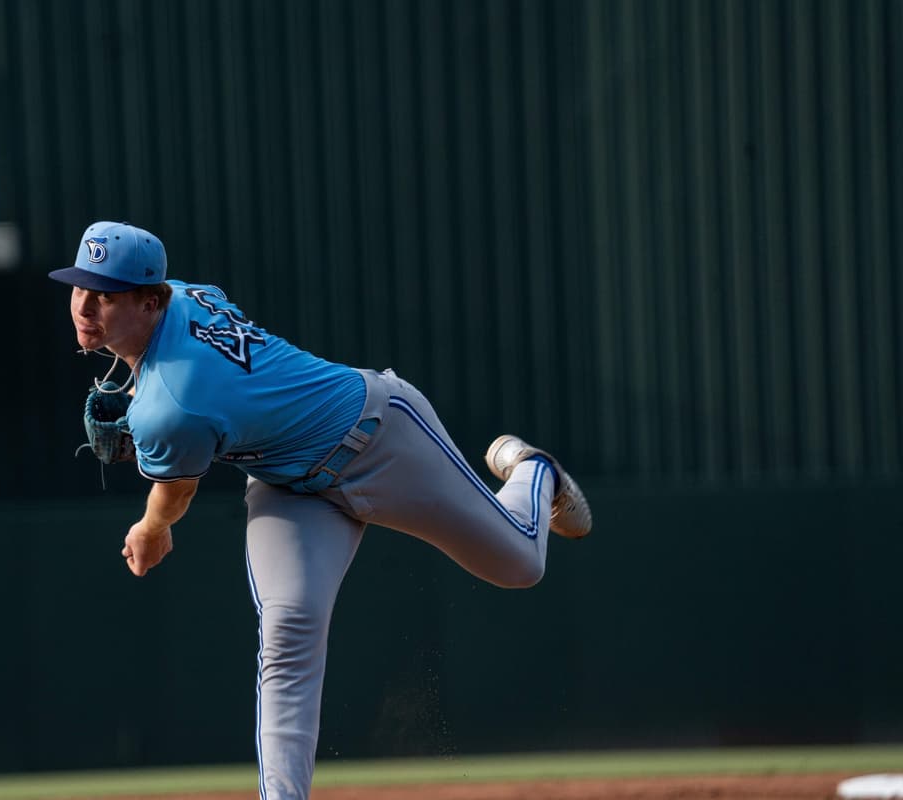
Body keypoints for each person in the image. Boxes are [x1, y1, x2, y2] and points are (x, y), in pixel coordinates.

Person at [49, 220, 593, 800]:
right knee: (288, 630)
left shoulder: (170, 409)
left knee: (519, 564)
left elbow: (174, 491)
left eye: (105, 295)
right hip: (290, 485)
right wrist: (142, 384)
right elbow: (190, 352)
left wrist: (151, 528)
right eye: (80, 288)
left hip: (380, 439)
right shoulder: (185, 295)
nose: (84, 306)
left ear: (151, 300)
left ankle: (535, 472)